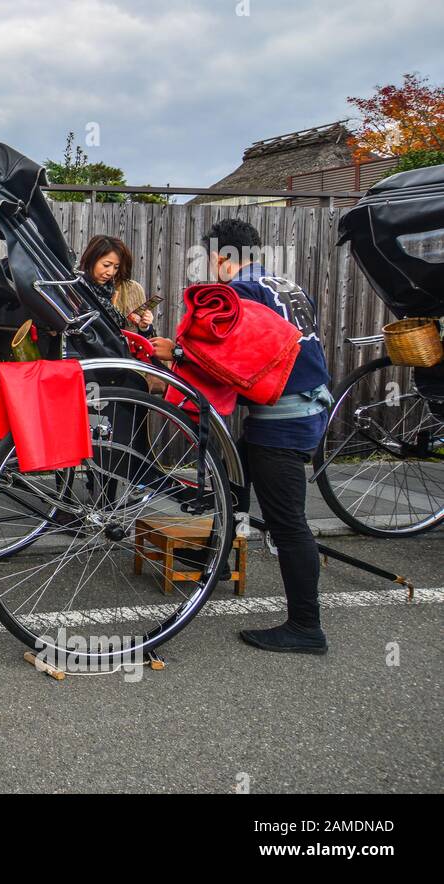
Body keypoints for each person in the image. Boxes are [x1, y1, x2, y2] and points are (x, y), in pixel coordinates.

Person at [152, 218, 331, 655]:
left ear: (219, 257)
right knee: (234, 487)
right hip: (303, 404)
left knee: (289, 524)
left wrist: (172, 353)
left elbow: (228, 362)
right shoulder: (283, 284)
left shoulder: (240, 293)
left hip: (284, 419)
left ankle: (307, 627)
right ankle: (216, 558)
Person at [79, 234, 154, 335]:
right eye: (106, 265)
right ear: (91, 260)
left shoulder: (128, 289)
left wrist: (144, 326)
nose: (111, 272)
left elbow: (138, 338)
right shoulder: (76, 287)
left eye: (116, 267)